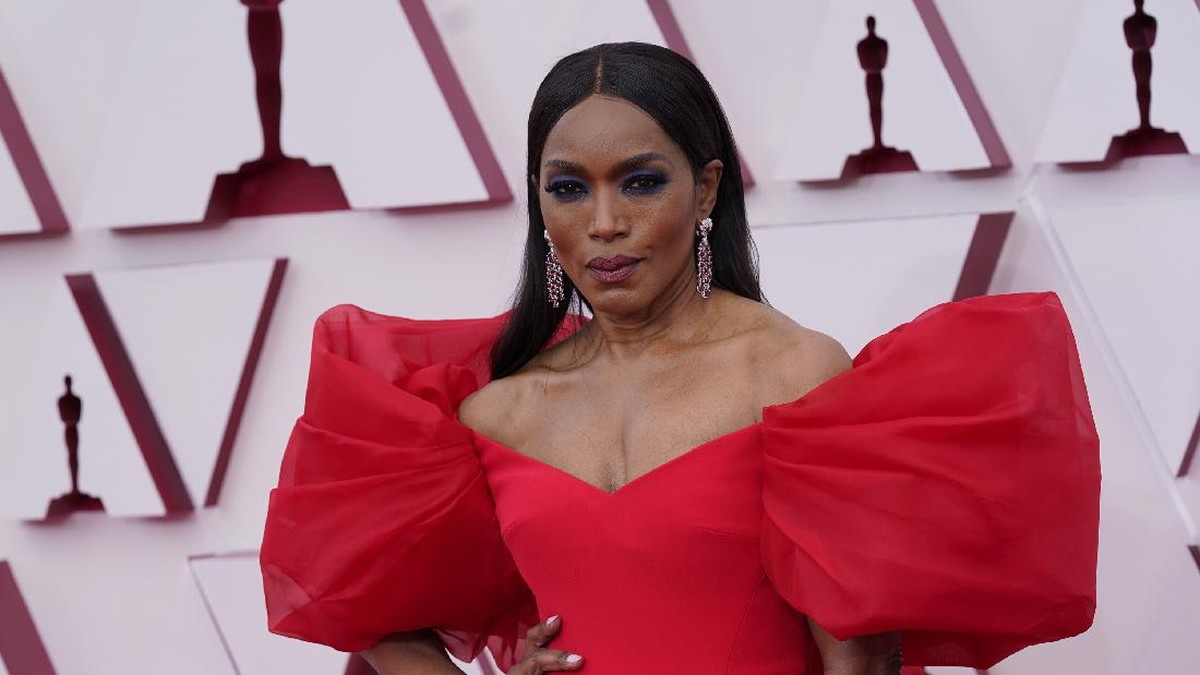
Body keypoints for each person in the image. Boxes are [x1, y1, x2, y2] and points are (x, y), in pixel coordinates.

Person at [260, 42, 1100, 674]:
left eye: (639, 181)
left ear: (704, 189)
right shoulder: (496, 412)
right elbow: (358, 595)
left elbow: (862, 660)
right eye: (567, 187)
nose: (604, 221)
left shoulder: (792, 373)